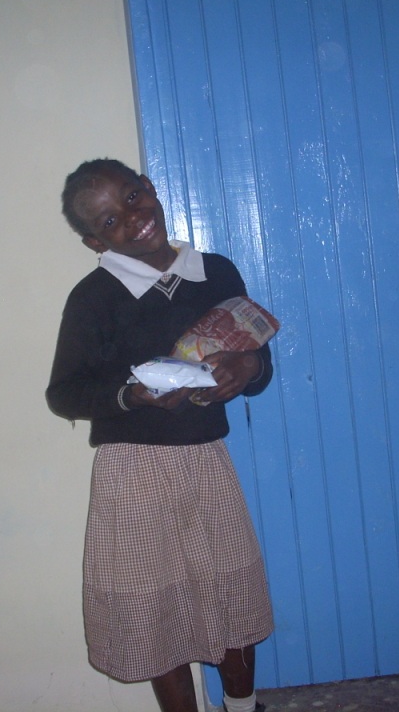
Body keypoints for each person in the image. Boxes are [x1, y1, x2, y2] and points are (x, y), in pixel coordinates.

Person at [46, 158, 274, 712]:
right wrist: (133, 395)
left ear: (149, 188)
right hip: (133, 473)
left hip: (205, 461)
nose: (130, 218)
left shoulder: (215, 272)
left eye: (131, 197)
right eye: (107, 221)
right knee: (158, 609)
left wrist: (249, 368)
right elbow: (64, 394)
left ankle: (241, 707)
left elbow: (254, 354)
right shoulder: (93, 297)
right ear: (94, 242)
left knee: (229, 592)